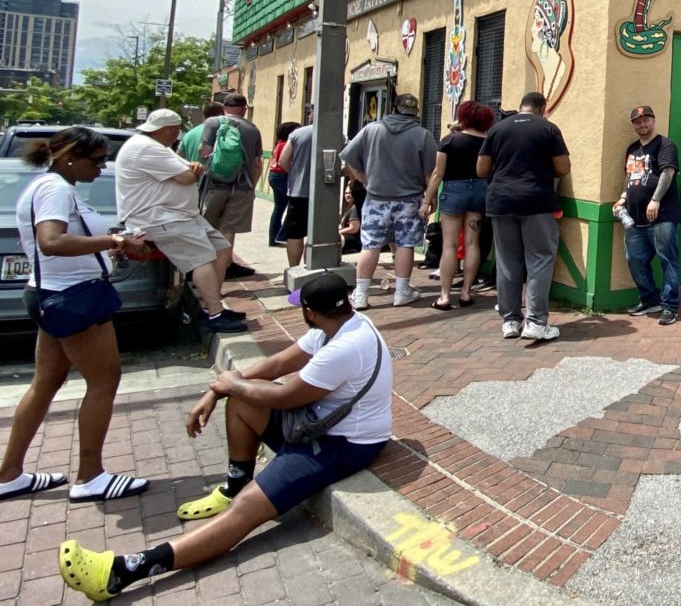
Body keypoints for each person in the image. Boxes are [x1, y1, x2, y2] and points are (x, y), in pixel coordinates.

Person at [57, 272, 392, 602]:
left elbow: (282, 397)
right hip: (318, 425)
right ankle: (236, 484)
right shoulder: (339, 325)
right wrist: (218, 391)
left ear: (310, 312)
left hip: (343, 446)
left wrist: (228, 384)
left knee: (248, 507)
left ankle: (122, 571)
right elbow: (275, 365)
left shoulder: (345, 349)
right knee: (242, 398)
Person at [2, 128, 155, 506]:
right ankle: (90, 476)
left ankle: (9, 474)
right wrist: (116, 241)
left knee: (45, 383)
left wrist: (113, 243)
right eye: (97, 159)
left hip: (51, 295)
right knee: (104, 380)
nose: (103, 167)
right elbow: (51, 242)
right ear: (70, 157)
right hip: (72, 298)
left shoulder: (50, 186)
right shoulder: (55, 189)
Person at [114, 110, 245, 334]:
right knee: (201, 259)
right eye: (175, 132)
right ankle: (214, 315)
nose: (176, 137)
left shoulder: (159, 146)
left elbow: (190, 167)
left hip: (182, 215)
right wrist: (192, 172)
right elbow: (187, 175)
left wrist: (192, 170)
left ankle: (213, 305)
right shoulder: (146, 148)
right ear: (168, 130)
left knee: (221, 248)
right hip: (161, 217)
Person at [478, 92, 570, 341]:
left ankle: (510, 321)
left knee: (508, 260)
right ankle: (536, 322)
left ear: (521, 107)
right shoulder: (548, 128)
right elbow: (563, 168)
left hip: (500, 201)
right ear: (542, 108)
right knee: (539, 259)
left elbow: (481, 168)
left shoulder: (498, 129)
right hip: (536, 200)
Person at [340, 93, 438, 310]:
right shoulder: (423, 135)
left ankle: (361, 294)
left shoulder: (371, 130)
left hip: (376, 198)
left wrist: (364, 179)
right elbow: (429, 174)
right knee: (405, 244)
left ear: (394, 108)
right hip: (410, 199)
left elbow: (348, 157)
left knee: (371, 244)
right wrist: (431, 198)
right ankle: (402, 291)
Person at [422, 100, 494, 311]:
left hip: (454, 190)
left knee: (450, 245)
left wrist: (427, 199)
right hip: (480, 190)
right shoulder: (488, 143)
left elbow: (438, 173)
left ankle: (444, 296)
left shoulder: (450, 141)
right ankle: (466, 292)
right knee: (473, 243)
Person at [615, 105, 681, 326]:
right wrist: (623, 197)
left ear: (653, 121)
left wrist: (655, 200)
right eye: (637, 121)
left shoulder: (665, 145)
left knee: (668, 260)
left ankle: (670, 306)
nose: (642, 124)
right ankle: (649, 299)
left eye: (646, 120)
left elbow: (668, 172)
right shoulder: (632, 148)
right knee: (635, 260)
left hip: (663, 216)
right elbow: (630, 177)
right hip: (634, 219)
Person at [197, 93, 265, 279]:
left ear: (224, 107)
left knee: (207, 229)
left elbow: (204, 152)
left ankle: (203, 276)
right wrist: (251, 187)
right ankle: (221, 276)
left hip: (214, 185)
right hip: (242, 187)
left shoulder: (212, 122)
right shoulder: (252, 129)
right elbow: (257, 164)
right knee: (228, 232)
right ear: (244, 109)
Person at [279, 114, 317, 270]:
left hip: (298, 190)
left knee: (295, 233)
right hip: (325, 192)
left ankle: (294, 268)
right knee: (318, 233)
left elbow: (283, 161)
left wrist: (296, 173)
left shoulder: (297, 134)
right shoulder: (336, 134)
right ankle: (312, 266)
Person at [266, 121, 299, 247]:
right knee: (293, 205)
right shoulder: (286, 144)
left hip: (274, 175)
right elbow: (284, 162)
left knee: (279, 208)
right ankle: (282, 235)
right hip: (282, 176)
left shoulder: (279, 143)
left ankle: (274, 238)